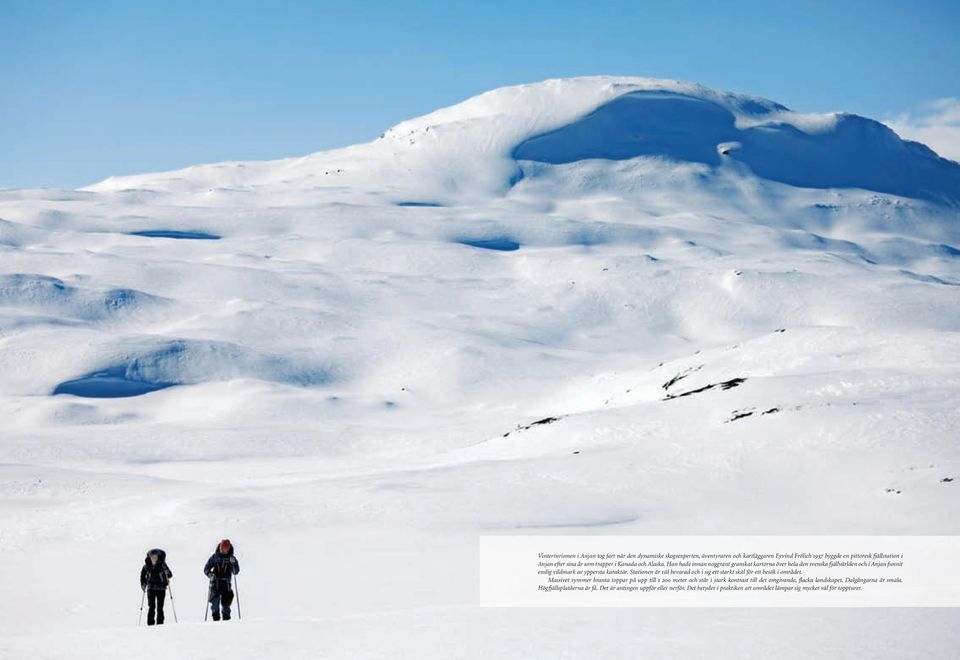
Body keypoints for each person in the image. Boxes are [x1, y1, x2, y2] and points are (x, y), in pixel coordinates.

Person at [204, 538, 240, 621]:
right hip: (215, 583)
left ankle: (226, 621)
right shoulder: (215, 557)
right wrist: (209, 574)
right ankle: (216, 620)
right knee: (215, 603)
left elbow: (236, 571)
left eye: (224, 549)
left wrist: (233, 563)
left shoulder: (231, 558)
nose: (222, 550)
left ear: (228, 549)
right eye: (221, 548)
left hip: (226, 584)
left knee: (226, 604)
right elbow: (206, 568)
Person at [140, 548, 173, 626]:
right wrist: (143, 584)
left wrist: (166, 573)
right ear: (150, 557)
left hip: (161, 588)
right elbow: (142, 575)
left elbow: (170, 574)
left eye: (155, 557)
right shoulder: (146, 566)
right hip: (151, 588)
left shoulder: (163, 565)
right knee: (151, 606)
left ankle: (160, 624)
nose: (154, 559)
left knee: (160, 607)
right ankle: (150, 624)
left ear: (158, 557)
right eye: (152, 557)